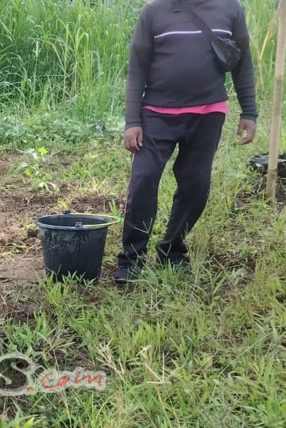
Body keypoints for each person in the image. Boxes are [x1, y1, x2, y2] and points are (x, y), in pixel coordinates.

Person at [116, 0, 257, 283]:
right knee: (143, 180)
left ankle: (172, 250)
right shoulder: (153, 11)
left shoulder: (231, 9)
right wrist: (132, 122)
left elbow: (242, 64)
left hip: (208, 114)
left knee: (196, 185)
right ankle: (131, 258)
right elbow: (137, 68)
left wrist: (249, 111)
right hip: (155, 114)